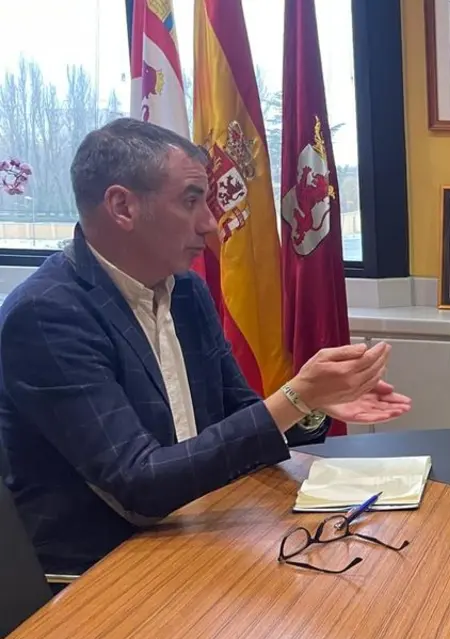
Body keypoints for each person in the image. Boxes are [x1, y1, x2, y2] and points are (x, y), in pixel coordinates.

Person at [0, 118, 412, 577]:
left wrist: (314, 404)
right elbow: (138, 484)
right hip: (100, 574)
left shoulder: (188, 293)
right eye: (191, 200)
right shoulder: (46, 315)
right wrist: (295, 397)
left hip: (200, 533)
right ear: (122, 206)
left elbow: (238, 418)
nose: (210, 224)